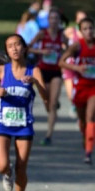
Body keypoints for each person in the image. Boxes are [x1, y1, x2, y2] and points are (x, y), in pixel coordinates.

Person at [0, 34, 48, 191]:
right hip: (2, 122)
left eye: (17, 45)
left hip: (24, 123)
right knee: (1, 165)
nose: (14, 48)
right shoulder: (1, 70)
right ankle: (7, 173)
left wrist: (36, 83)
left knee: (22, 166)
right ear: (6, 51)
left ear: (24, 48)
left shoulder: (34, 71)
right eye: (10, 46)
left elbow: (46, 97)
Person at [59, 17, 95, 164]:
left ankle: (88, 152)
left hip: (94, 88)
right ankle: (85, 136)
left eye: (91, 28)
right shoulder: (77, 46)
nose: (89, 31)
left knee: (90, 117)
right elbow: (61, 62)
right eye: (85, 29)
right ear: (80, 32)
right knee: (83, 121)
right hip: (80, 87)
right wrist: (77, 68)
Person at [28, 7, 67, 145]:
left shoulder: (62, 36)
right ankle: (52, 106)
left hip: (56, 71)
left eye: (56, 19)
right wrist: (41, 51)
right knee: (48, 104)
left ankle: (49, 135)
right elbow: (28, 47)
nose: (54, 21)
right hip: (43, 71)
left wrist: (63, 52)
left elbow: (68, 50)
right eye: (51, 18)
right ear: (48, 20)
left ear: (59, 21)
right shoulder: (42, 34)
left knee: (53, 103)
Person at [62, 10, 87, 119]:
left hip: (82, 67)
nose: (81, 20)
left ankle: (82, 115)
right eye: (80, 18)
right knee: (71, 95)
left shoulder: (89, 33)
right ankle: (75, 107)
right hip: (70, 66)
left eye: (84, 18)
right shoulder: (70, 31)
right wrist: (64, 48)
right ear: (76, 20)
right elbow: (60, 39)